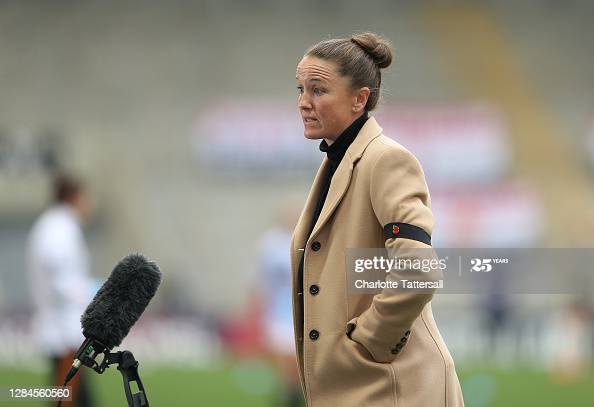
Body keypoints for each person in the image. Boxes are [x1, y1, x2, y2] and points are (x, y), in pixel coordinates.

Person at [291, 32, 465, 406]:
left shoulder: (385, 159)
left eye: (318, 90)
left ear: (360, 99)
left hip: (394, 387)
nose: (304, 103)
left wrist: (370, 342)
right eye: (300, 89)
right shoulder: (337, 162)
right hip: (364, 386)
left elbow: (418, 268)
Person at [27, 173, 95, 407]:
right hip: (64, 326)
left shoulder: (52, 225)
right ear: (74, 197)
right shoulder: (60, 227)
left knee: (71, 394)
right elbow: (59, 274)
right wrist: (89, 294)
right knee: (66, 396)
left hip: (60, 322)